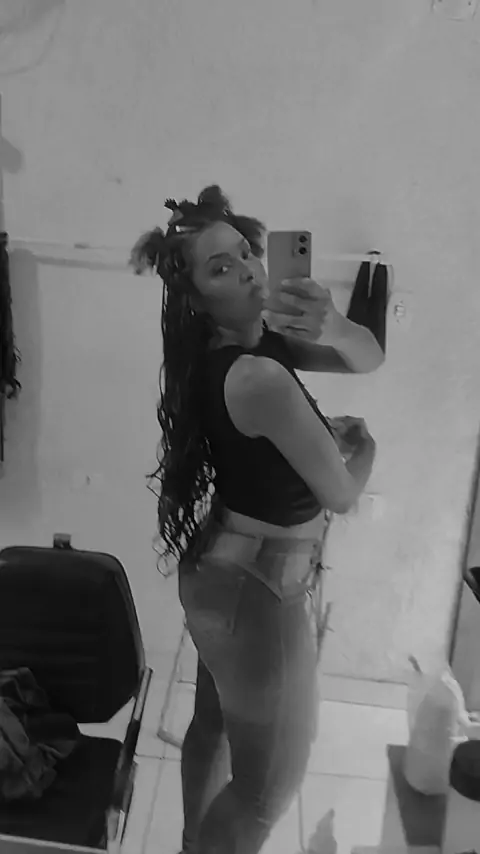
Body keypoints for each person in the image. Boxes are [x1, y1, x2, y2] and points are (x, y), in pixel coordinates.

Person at [131, 186, 382, 854]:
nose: (247, 269)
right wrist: (366, 448)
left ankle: (193, 844)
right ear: (197, 297)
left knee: (213, 728)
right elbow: (340, 494)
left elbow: (369, 357)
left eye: (245, 252)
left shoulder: (245, 345)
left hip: (224, 571)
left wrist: (333, 325)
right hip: (261, 591)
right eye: (222, 268)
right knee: (264, 794)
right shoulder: (257, 376)